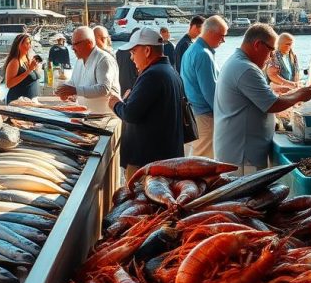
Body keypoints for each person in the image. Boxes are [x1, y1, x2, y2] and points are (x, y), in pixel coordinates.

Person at [214, 24, 311, 173]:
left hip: (238, 152)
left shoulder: (237, 62)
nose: (271, 56)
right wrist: (299, 95)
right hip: (242, 157)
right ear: (257, 45)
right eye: (271, 50)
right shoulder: (246, 68)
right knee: (246, 196)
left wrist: (283, 93)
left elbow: (260, 98)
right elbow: (272, 105)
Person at [108, 27, 185, 178]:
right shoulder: (170, 72)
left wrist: (116, 103)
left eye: (133, 52)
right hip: (165, 158)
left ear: (147, 51)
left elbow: (131, 114)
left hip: (147, 163)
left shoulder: (152, 75)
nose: (131, 58)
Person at [180, 15, 227, 157]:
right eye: (222, 36)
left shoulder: (191, 50)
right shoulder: (203, 54)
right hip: (204, 117)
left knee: (197, 156)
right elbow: (211, 93)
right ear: (211, 32)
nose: (223, 40)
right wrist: (224, 115)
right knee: (206, 160)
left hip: (194, 114)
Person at [56, 26, 120, 114]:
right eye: (72, 43)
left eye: (76, 44)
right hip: (85, 116)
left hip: (104, 118)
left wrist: (75, 90)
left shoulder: (104, 59)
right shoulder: (79, 60)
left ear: (88, 43)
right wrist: (64, 91)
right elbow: (74, 82)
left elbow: (104, 88)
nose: (72, 48)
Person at [4, 33, 42, 103]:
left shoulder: (27, 58)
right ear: (19, 45)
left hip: (30, 101)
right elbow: (9, 84)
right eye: (27, 44)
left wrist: (35, 68)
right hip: (19, 102)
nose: (29, 46)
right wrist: (29, 70)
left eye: (30, 43)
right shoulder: (15, 62)